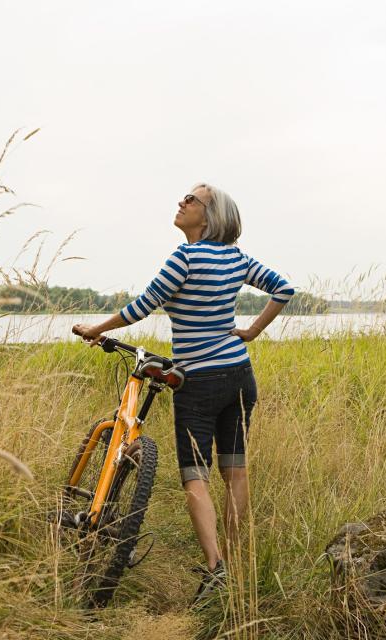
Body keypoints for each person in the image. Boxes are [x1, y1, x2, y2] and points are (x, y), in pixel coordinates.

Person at [71, 183, 294, 605]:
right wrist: (250, 332)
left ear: (209, 217)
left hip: (200, 381)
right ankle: (230, 558)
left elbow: (143, 306)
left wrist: (94, 329)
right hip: (240, 374)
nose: (181, 202)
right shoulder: (236, 257)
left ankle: (214, 569)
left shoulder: (186, 257)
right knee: (236, 470)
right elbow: (283, 289)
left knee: (196, 476)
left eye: (191, 200)